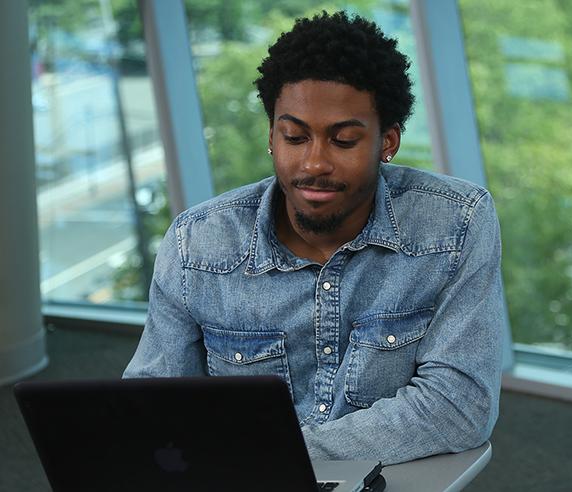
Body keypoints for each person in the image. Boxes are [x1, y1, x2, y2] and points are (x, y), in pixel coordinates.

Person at [124, 10, 504, 465]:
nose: (314, 164)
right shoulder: (198, 243)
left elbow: (459, 406)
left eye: (343, 141)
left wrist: (277, 454)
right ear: (271, 136)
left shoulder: (455, 223)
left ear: (388, 141)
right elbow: (148, 408)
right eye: (294, 137)